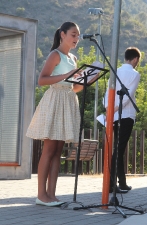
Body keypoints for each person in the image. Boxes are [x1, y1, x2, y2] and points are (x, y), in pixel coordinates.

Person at [26, 22, 83, 206]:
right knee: (49, 150)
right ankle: (41, 195)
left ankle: (51, 194)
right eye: (73, 35)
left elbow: (74, 88)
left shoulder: (73, 58)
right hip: (54, 100)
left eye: (78, 36)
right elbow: (42, 80)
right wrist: (68, 76)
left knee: (58, 151)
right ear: (63, 34)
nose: (76, 39)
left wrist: (84, 80)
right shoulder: (54, 55)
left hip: (67, 100)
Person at [103, 47, 141, 193]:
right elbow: (128, 95)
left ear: (126, 57)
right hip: (126, 115)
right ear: (136, 59)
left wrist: (109, 109)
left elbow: (108, 92)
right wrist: (115, 109)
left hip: (113, 115)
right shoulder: (135, 74)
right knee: (119, 150)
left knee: (117, 149)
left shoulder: (115, 71)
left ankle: (121, 183)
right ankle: (111, 184)